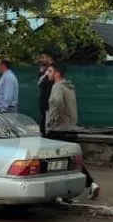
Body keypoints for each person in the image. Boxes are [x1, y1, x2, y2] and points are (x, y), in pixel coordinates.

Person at [45, 62, 100, 199]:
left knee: (58, 160)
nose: (48, 74)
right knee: (70, 160)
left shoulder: (57, 87)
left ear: (57, 73)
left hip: (58, 129)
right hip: (70, 127)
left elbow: (56, 103)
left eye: (50, 71)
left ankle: (66, 190)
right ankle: (88, 185)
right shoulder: (69, 87)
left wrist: (51, 121)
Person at [37, 52, 55, 134]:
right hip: (45, 100)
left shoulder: (51, 69)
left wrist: (42, 73)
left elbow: (41, 83)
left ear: (49, 57)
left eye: (43, 57)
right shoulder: (44, 69)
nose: (41, 59)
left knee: (47, 122)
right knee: (44, 119)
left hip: (49, 100)